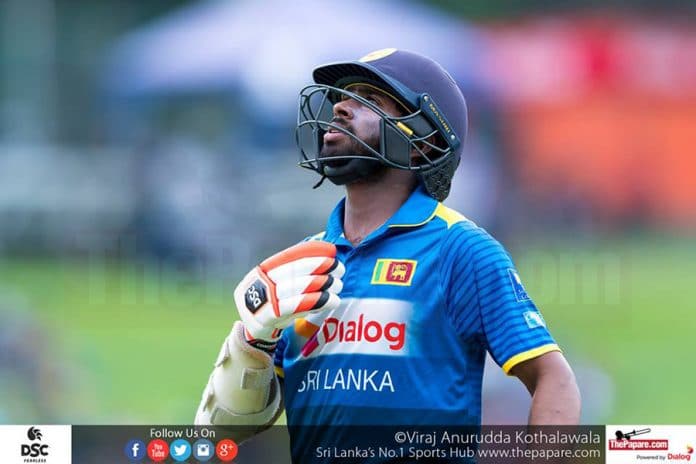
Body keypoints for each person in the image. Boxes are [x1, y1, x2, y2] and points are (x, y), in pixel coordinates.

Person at [195, 48, 581, 462]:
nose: (340, 107)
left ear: (422, 143)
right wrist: (252, 345)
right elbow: (228, 429)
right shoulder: (302, 264)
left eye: (370, 100)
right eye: (342, 97)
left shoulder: (461, 249)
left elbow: (553, 379)